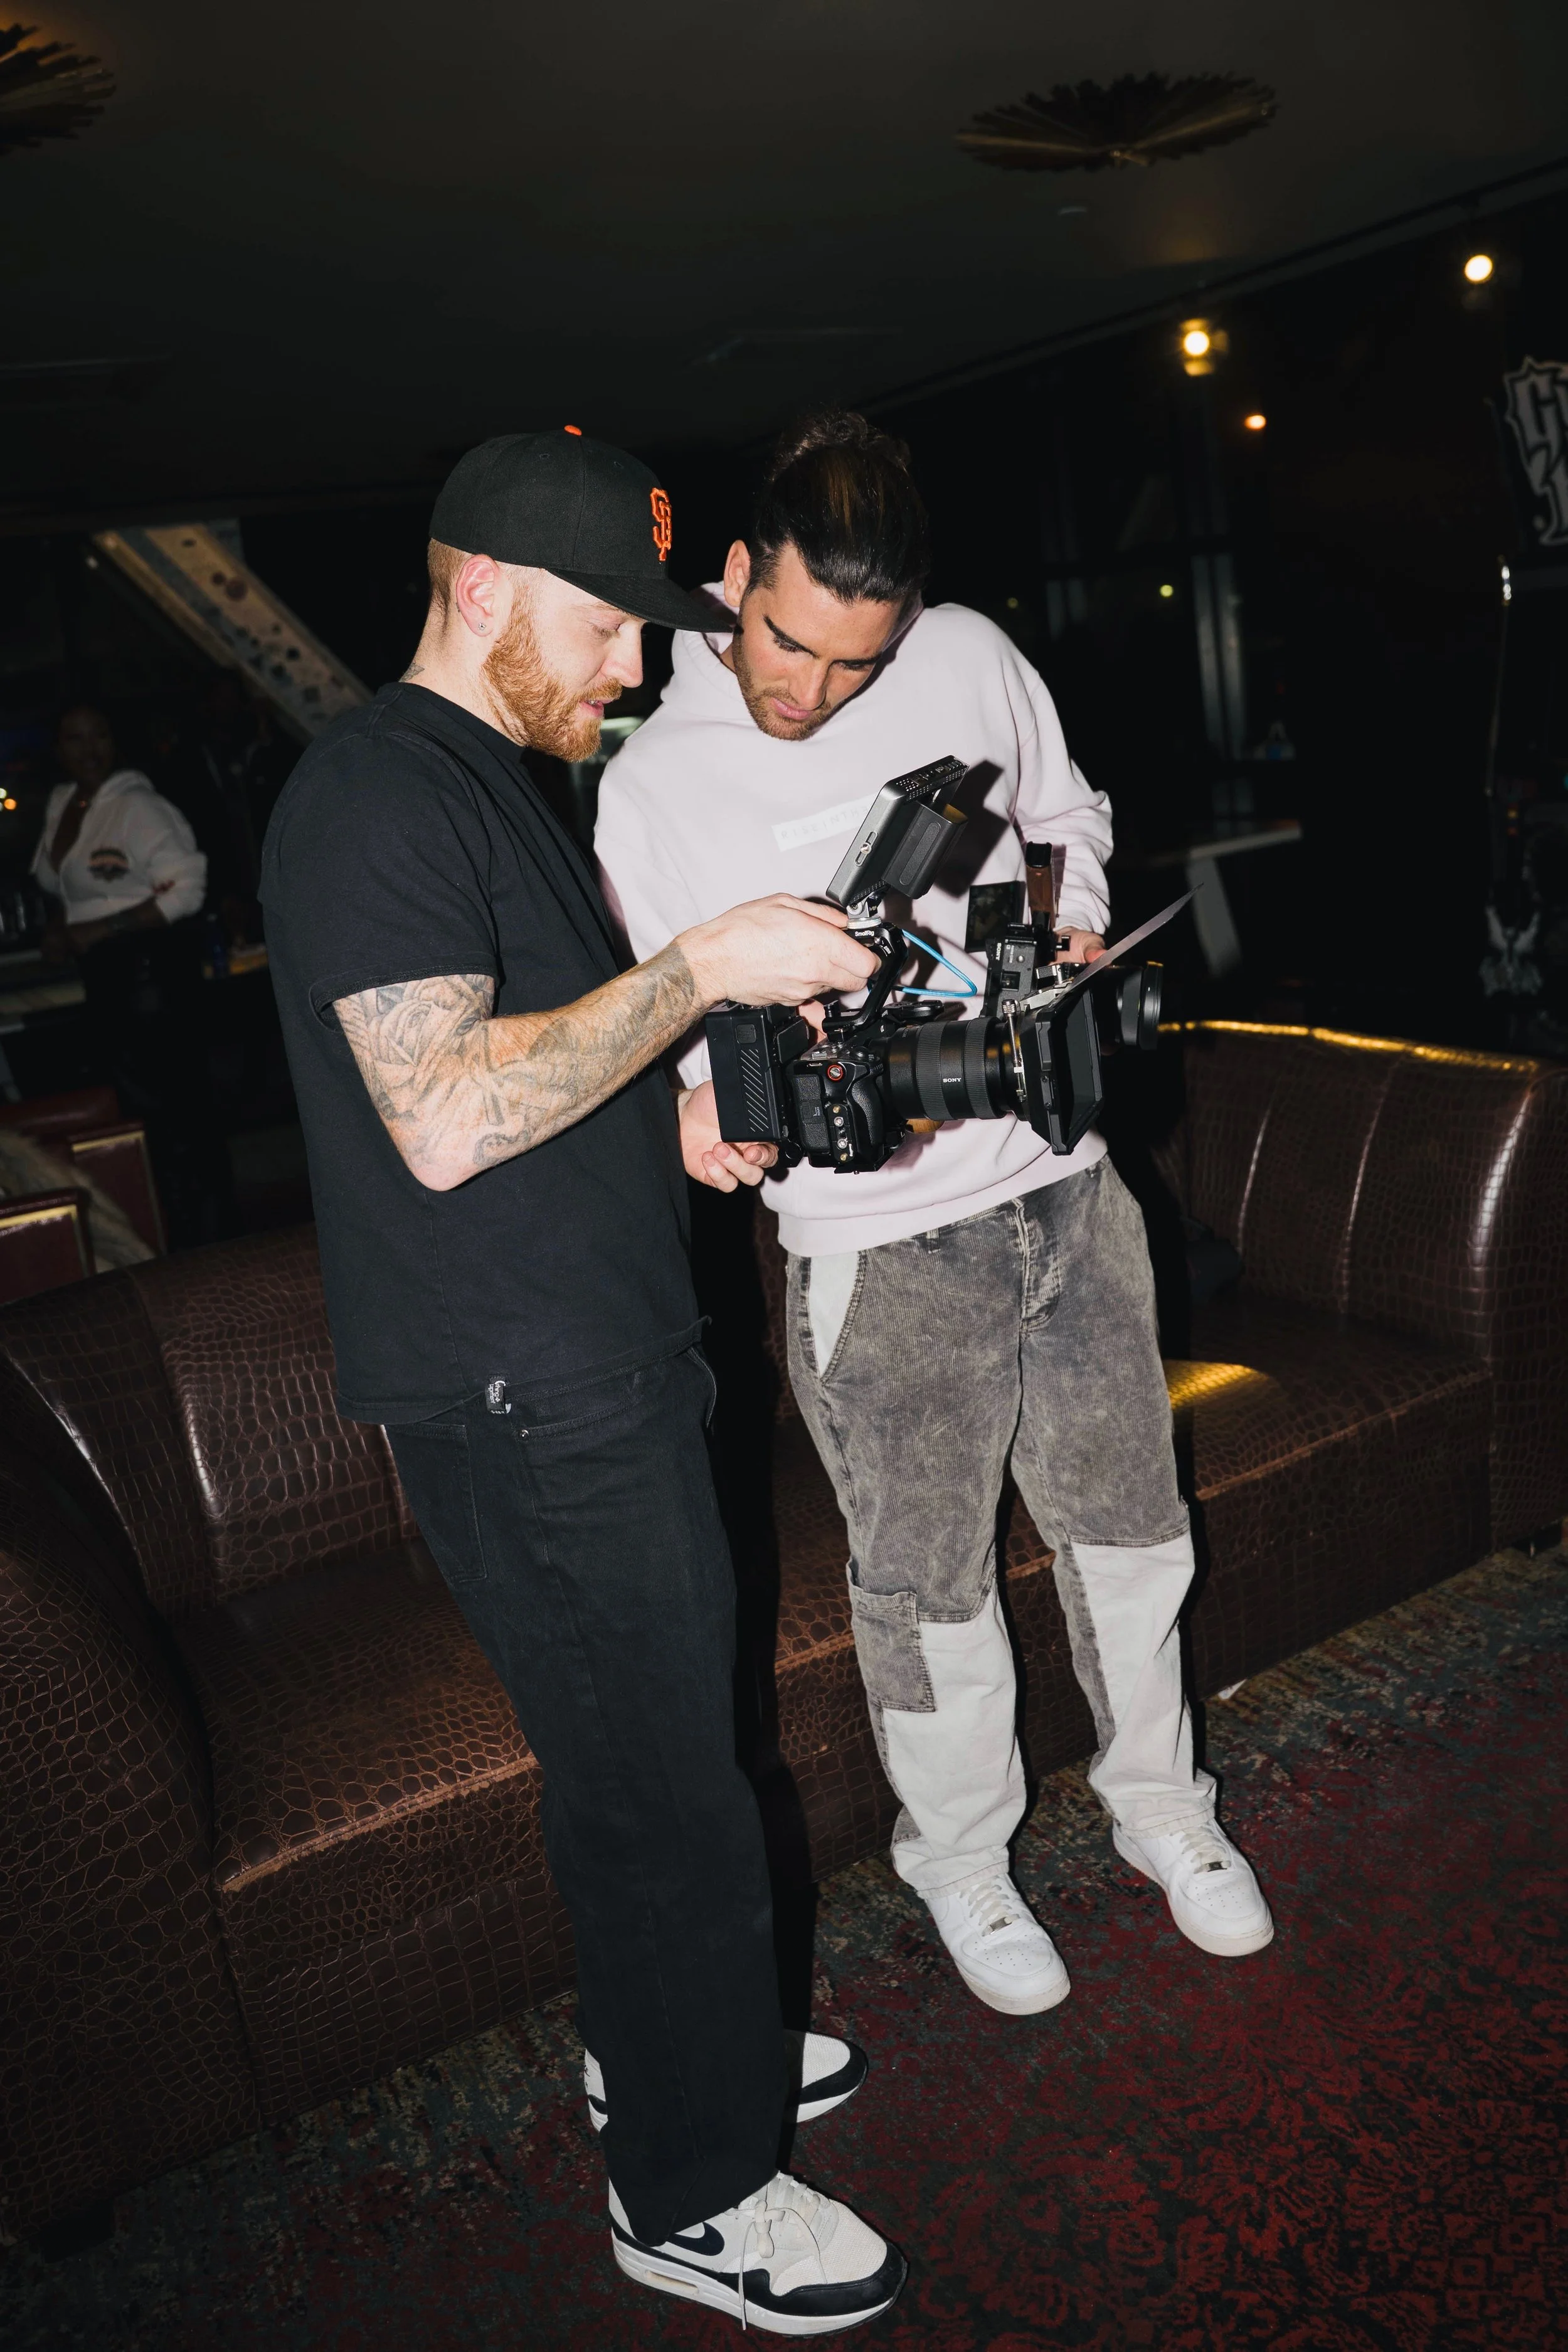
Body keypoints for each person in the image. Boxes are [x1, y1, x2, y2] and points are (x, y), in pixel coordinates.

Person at [259, 430, 906, 2337]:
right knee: (667, 1799)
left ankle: (664, 2042)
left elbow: (528, 1062)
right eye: (606, 624)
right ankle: (692, 2190)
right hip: (526, 1395)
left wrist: (670, 1124)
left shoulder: (498, 779)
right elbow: (443, 1115)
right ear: (480, 587)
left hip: (594, 1359)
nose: (636, 662)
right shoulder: (373, 790)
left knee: (652, 1759)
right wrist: (701, 967)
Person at [596, 411, 1273, 2023]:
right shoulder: (651, 782)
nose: (814, 689)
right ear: (737, 571)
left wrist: (1073, 928)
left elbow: (1068, 816)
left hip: (1062, 1183)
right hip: (875, 1247)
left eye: (859, 661)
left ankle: (1161, 1802)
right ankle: (960, 1856)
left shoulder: (965, 655)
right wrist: (706, 1104)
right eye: (789, 643)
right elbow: (667, 1032)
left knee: (1133, 1529)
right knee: (928, 1584)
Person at [33, 705, 227, 1245]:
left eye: (100, 735)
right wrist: (62, 928)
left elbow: (188, 889)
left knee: (175, 1120)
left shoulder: (140, 806)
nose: (90, 748)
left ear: (115, 741)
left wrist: (102, 929)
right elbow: (70, 887)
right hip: (108, 979)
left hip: (152, 975)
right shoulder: (63, 803)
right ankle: (172, 1240)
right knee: (143, 1120)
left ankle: (204, 1246)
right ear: (58, 749)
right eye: (76, 738)